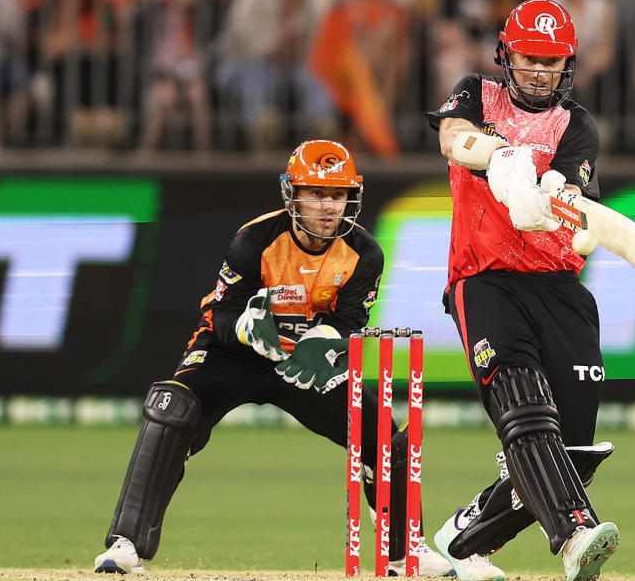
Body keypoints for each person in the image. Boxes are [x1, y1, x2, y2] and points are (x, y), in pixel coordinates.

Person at [92, 140, 452, 576]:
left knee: (381, 432)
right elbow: (219, 311)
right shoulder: (255, 239)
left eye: (336, 195)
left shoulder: (364, 253)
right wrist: (246, 326)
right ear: (292, 194)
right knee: (171, 408)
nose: (327, 206)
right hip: (232, 354)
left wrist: (325, 339)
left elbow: (352, 317)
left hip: (303, 361)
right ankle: (126, 544)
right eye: (316, 193)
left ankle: (402, 551)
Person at [425, 0, 619, 581]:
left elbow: (581, 219)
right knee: (525, 408)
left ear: (569, 65)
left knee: (574, 450)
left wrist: (553, 200)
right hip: (484, 279)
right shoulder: (475, 95)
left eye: (553, 62)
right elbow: (453, 139)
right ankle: (574, 535)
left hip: (559, 285)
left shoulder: (576, 126)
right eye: (531, 59)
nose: (540, 72)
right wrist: (500, 156)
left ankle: (465, 537)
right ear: (507, 55)